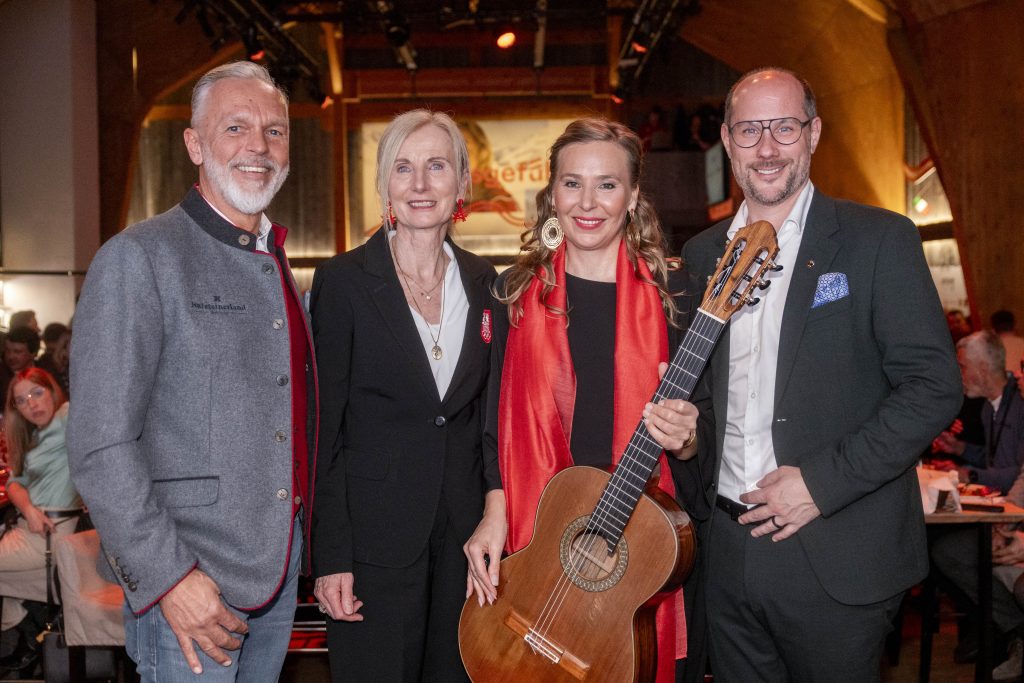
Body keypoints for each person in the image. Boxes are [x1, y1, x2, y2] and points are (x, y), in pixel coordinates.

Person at [674, 67, 962, 680]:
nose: (768, 147)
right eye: (750, 130)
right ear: (727, 140)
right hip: (725, 555)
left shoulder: (877, 240)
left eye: (785, 127)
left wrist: (821, 484)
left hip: (836, 545)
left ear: (813, 134)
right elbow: (704, 401)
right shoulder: (700, 255)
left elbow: (933, 386)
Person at [67, 60, 315, 682]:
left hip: (275, 579)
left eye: (275, 131)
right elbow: (99, 445)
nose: (259, 146)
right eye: (235, 127)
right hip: (188, 586)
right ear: (195, 144)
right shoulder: (139, 258)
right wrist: (170, 578)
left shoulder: (275, 264)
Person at [464, 118, 700, 682]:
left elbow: (703, 432)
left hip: (635, 545)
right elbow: (491, 421)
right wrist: (494, 510)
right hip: (537, 540)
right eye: (572, 184)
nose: (587, 203)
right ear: (552, 193)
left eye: (607, 184)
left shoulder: (677, 295)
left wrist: (689, 438)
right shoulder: (512, 293)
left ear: (634, 194)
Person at [310, 109, 496, 682]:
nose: (420, 185)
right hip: (372, 547)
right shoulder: (342, 282)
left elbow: (489, 417)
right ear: (385, 184)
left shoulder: (488, 282)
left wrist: (495, 516)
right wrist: (330, 558)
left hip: (467, 547)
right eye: (404, 168)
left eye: (436, 167)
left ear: (462, 183)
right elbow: (324, 431)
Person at [0, 368, 82, 677]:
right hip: (30, 528)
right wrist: (29, 510)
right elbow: (14, 483)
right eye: (22, 400)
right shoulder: (33, 435)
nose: (32, 404)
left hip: (51, 536)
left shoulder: (67, 416)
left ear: (52, 391)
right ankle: (30, 638)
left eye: (37, 392)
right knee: (12, 586)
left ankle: (32, 633)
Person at [932, 331, 1024, 493]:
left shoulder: (1020, 404)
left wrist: (971, 475)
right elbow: (994, 461)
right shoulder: (988, 407)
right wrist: (959, 448)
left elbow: (1019, 474)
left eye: (962, 367)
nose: (958, 375)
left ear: (983, 368)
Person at [0, 327, 40, 406]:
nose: (10, 356)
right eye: (7, 350)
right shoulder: (1, 373)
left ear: (33, 353)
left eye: (17, 352)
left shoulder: (45, 373)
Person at [36, 322, 71, 398]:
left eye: (64, 348)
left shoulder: (73, 366)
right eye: (51, 351)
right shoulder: (43, 368)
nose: (60, 354)